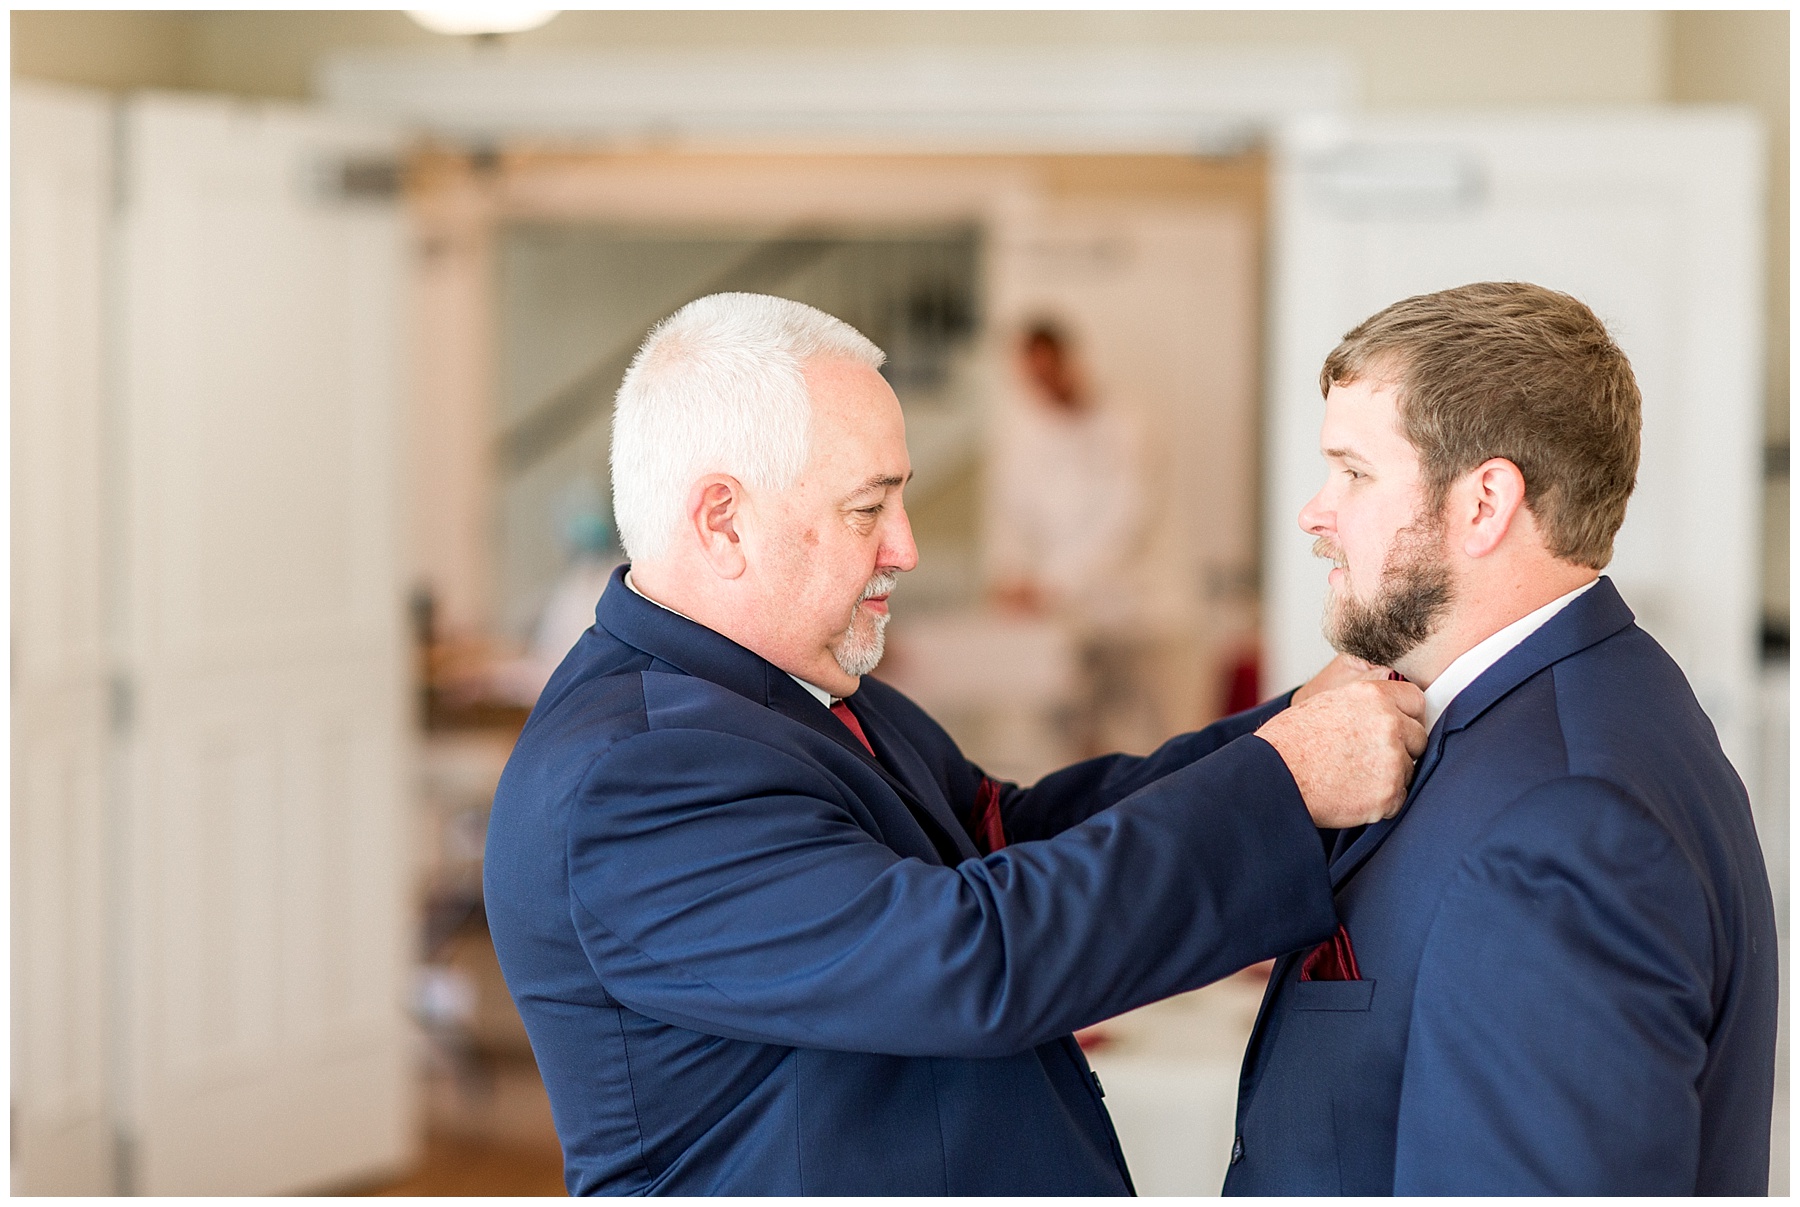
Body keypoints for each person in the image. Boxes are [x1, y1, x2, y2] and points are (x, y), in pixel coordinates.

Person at [483, 292, 1426, 1195]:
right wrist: (1286, 784)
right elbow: (970, 957)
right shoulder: (631, 777)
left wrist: (1287, 730)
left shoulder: (805, 690)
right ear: (723, 519)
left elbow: (1013, 837)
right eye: (869, 507)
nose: (905, 546)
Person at [1221, 282, 1778, 1195]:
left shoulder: (1567, 825)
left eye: (1354, 472)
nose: (1315, 513)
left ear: (1484, 503)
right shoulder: (1553, 715)